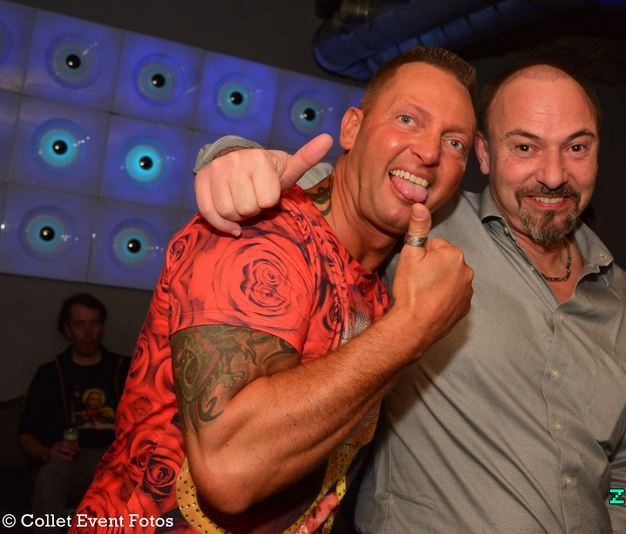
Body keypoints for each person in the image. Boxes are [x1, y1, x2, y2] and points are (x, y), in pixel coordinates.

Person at [195, 61, 626, 533]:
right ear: (485, 154)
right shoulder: (427, 224)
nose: (554, 175)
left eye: (576, 147)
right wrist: (231, 157)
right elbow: (352, 188)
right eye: (524, 147)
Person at [76, 47, 476, 533]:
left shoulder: (381, 283)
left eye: (454, 142)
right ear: (352, 128)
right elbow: (229, 470)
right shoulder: (260, 231)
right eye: (408, 119)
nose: (430, 153)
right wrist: (413, 326)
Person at [18, 293, 129, 529]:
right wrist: (47, 452)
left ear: (101, 327)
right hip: (70, 460)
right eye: (79, 324)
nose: (88, 332)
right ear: (67, 329)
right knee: (50, 476)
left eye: (94, 323)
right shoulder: (50, 373)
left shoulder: (123, 369)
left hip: (116, 458)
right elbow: (25, 433)